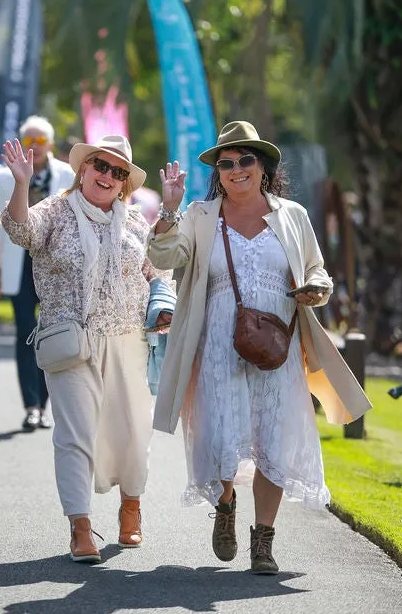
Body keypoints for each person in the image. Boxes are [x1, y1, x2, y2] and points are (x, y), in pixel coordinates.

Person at [146, 121, 372, 574]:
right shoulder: (199, 215)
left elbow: (317, 272)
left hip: (278, 347)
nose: (236, 169)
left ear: (263, 165)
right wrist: (169, 210)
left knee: (274, 439)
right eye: (226, 163)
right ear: (218, 172)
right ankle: (226, 505)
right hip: (217, 348)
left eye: (245, 160)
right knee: (221, 437)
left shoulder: (293, 216)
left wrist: (314, 289)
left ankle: (263, 540)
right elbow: (163, 257)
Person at [0, 134, 156, 563]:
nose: (106, 175)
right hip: (70, 339)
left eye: (117, 171)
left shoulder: (137, 223)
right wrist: (20, 183)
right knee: (74, 435)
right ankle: (81, 526)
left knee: (133, 432)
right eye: (100, 166)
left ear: (124, 183)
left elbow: (157, 271)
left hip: (127, 339)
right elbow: (18, 230)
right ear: (83, 169)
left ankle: (131, 507)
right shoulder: (55, 210)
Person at [0, 115, 75, 431]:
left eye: (40, 142)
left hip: (54, 268)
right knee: (26, 335)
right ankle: (31, 405)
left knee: (52, 335)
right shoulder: (4, 179)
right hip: (18, 265)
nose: (35, 147)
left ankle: (47, 403)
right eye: (29, 141)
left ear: (50, 144)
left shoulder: (67, 175)